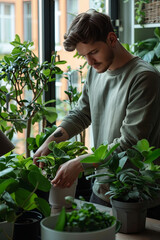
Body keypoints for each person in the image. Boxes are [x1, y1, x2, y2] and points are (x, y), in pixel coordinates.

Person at [33, 9, 160, 212]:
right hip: (102, 189)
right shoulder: (96, 71)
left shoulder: (144, 78)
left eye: (93, 52)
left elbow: (130, 143)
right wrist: (50, 142)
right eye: (84, 56)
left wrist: (79, 163)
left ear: (111, 39)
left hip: (137, 195)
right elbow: (82, 113)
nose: (90, 62)